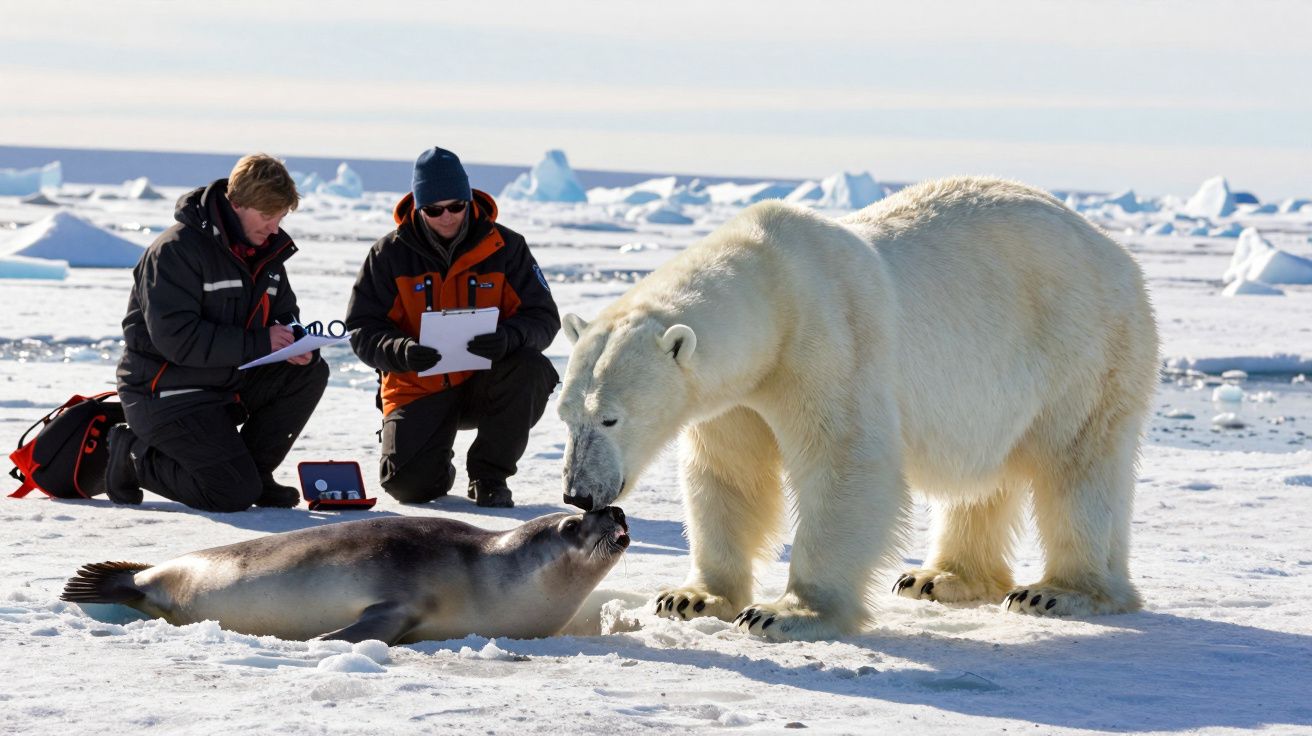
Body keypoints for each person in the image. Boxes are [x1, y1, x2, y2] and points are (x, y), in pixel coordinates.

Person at [105, 154, 329, 512]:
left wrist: (298, 342)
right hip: (165, 393)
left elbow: (284, 314)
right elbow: (177, 339)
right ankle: (133, 454)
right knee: (229, 494)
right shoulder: (176, 251)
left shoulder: (266, 252)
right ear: (236, 203)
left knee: (307, 371)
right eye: (267, 217)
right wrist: (260, 342)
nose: (275, 229)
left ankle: (255, 475)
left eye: (280, 218)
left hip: (226, 383)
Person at [346, 146, 560, 508]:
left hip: (485, 384)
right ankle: (431, 460)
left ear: (468, 200)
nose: (447, 217)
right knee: (410, 488)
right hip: (417, 385)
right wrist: (401, 351)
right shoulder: (388, 255)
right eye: (434, 210)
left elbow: (543, 318)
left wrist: (508, 337)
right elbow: (362, 329)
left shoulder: (507, 247)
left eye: (456, 206)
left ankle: (490, 476)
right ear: (418, 207)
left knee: (530, 367)